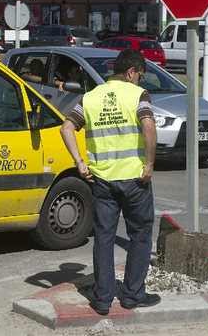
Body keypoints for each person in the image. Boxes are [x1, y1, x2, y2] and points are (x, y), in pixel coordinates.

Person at [59, 48, 159, 316]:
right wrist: (149, 164)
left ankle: (102, 299)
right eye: (140, 75)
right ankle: (132, 295)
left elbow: (66, 127)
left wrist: (80, 163)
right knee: (139, 235)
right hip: (135, 179)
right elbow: (148, 126)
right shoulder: (138, 95)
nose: (140, 80)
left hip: (101, 180)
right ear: (130, 72)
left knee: (103, 237)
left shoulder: (90, 98)